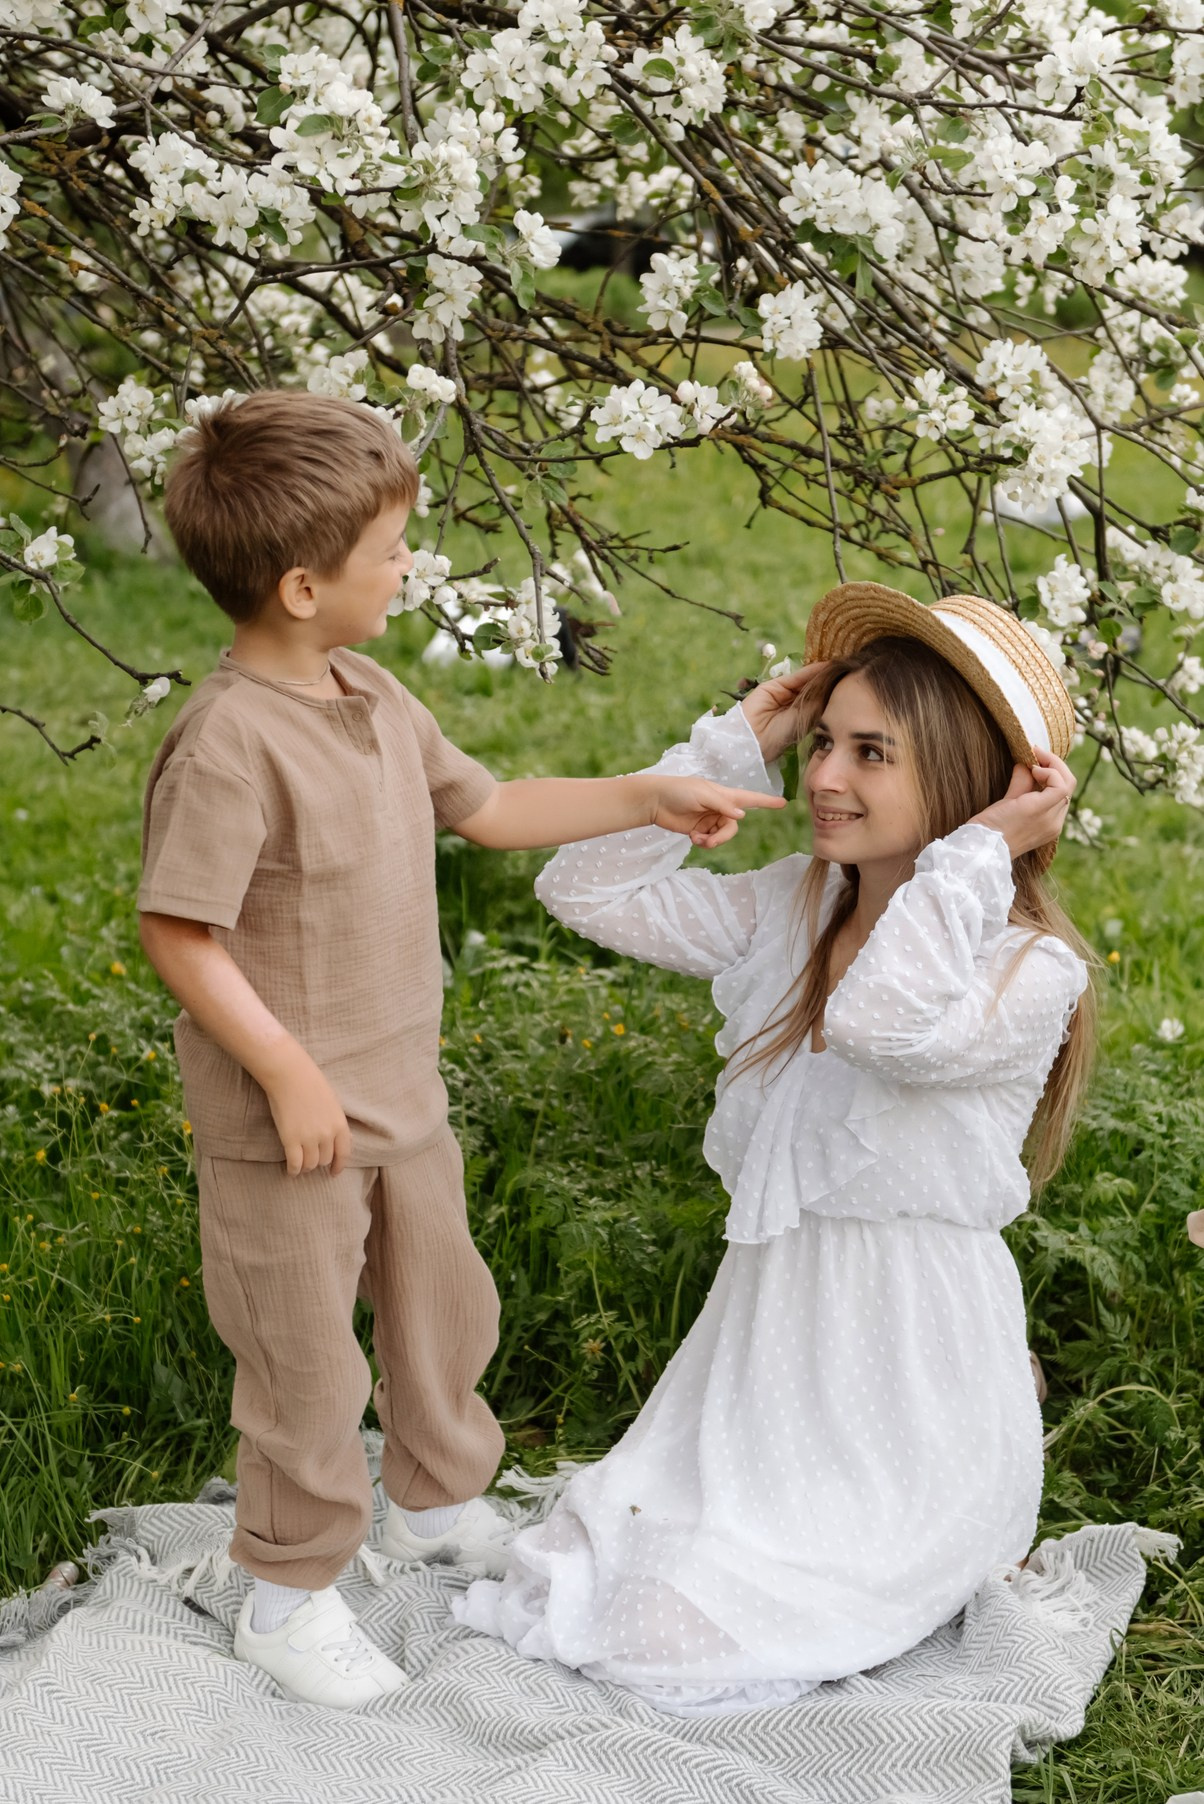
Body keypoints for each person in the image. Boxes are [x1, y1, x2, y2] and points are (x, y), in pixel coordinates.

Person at [137, 390, 782, 1710]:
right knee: (305, 1361)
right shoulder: (228, 746)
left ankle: (433, 1503)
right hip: (292, 1128)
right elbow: (179, 931)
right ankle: (287, 1593)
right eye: (389, 553)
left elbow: (487, 808)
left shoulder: (370, 693)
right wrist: (285, 1070)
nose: (408, 568)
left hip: (402, 1095)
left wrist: (646, 794)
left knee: (444, 1309)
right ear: (304, 586)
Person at [455, 582, 1098, 1716]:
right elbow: (577, 886)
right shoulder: (794, 907)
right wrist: (737, 743)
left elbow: (877, 1023)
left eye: (871, 753)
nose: (825, 777)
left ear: (965, 780)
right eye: (823, 743)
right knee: (599, 1582)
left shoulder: (1023, 969)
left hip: (910, 1391)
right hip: (760, 1372)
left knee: (678, 1634)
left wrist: (978, 853)